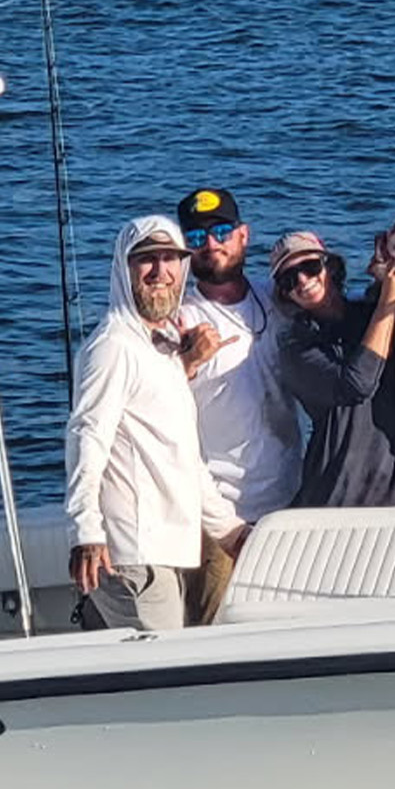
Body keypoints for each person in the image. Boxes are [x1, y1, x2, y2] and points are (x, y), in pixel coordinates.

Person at [64, 216, 244, 631]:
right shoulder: (113, 346)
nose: (160, 272)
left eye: (171, 259)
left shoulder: (160, 350)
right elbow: (85, 438)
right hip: (131, 555)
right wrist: (86, 531)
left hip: (166, 551)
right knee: (168, 677)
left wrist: (230, 529)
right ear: (124, 270)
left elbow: (181, 456)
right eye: (146, 260)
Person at [173, 187, 303, 625]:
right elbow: (157, 413)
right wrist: (187, 363)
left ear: (244, 235)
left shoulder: (280, 299)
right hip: (218, 518)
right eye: (197, 238)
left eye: (222, 231)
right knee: (212, 632)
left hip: (291, 502)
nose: (212, 244)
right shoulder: (179, 322)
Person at [274, 230, 395, 508]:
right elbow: (356, 385)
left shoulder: (378, 315)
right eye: (289, 279)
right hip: (335, 499)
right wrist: (387, 304)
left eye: (310, 267)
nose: (303, 281)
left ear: (331, 268)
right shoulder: (296, 348)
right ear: (285, 294)